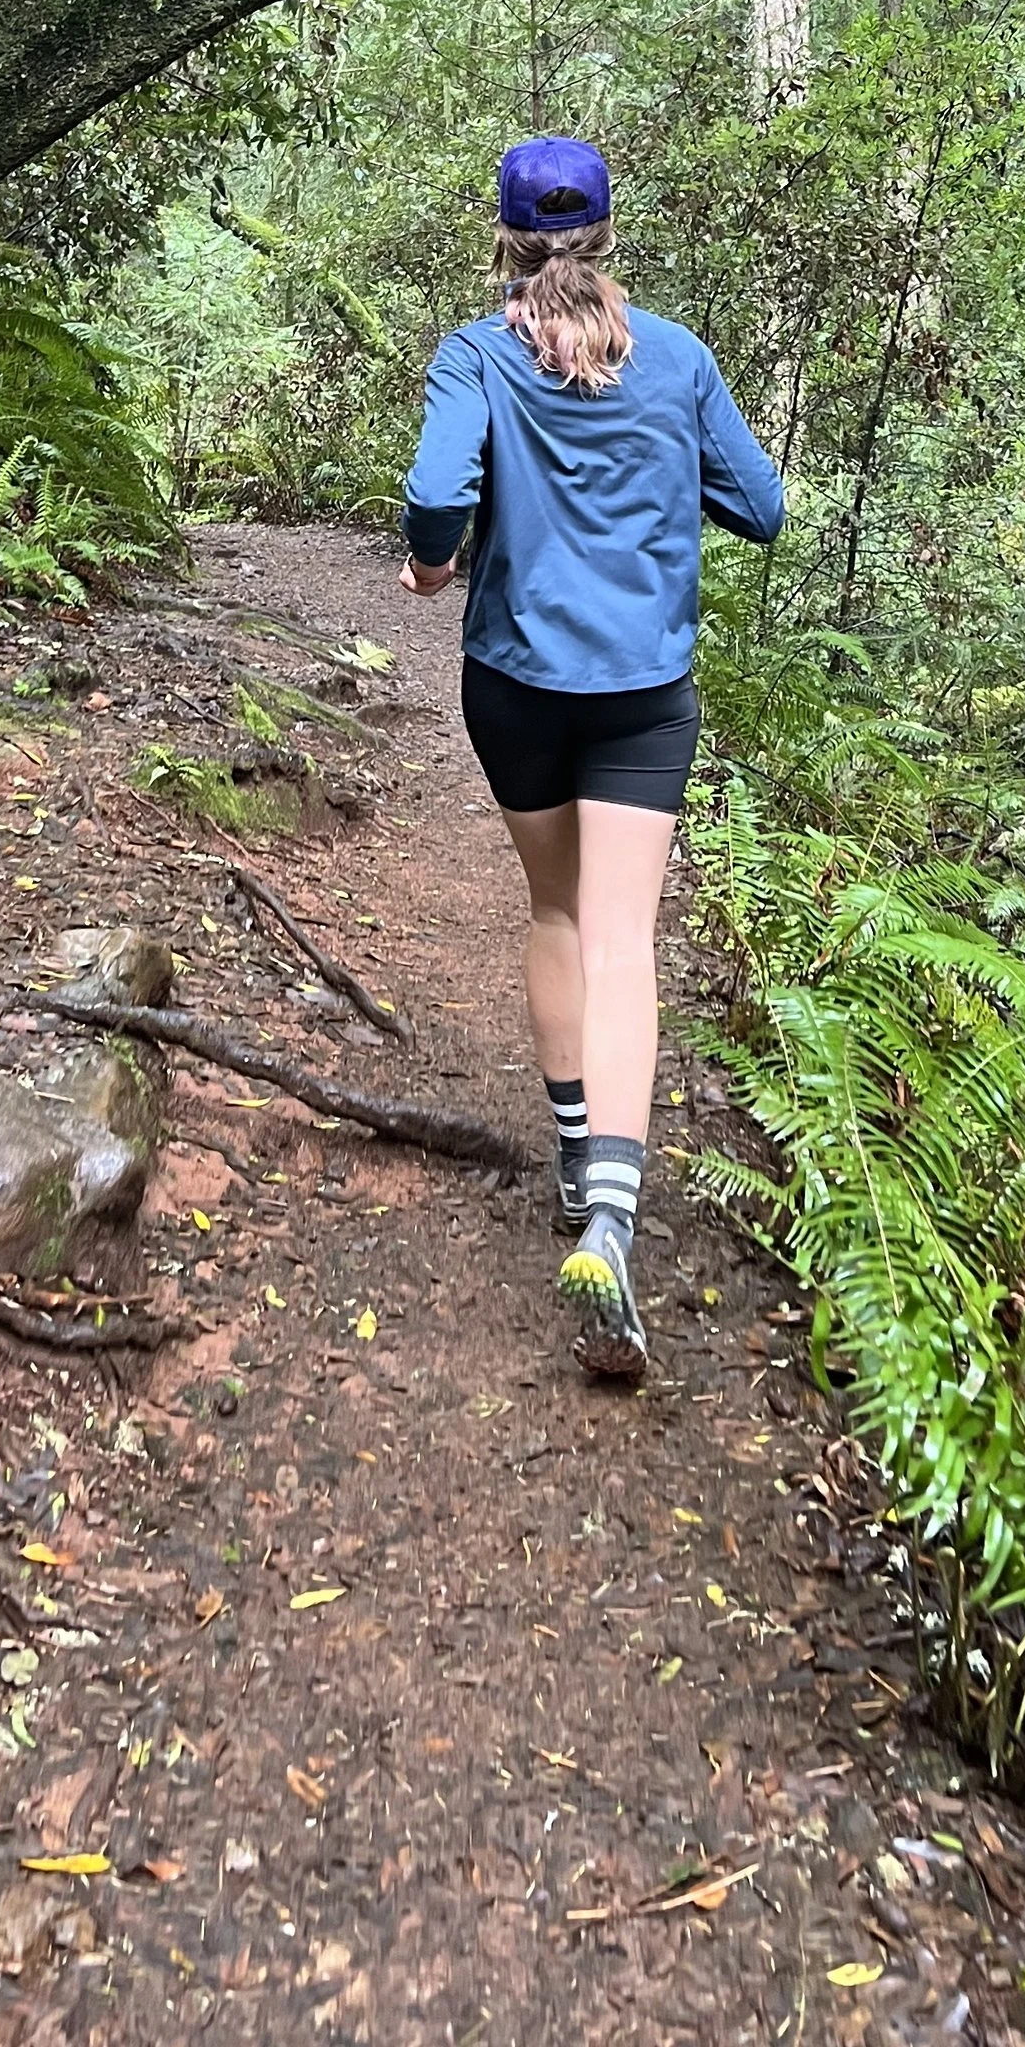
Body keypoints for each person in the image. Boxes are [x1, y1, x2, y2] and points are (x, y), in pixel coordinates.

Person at [396, 137, 785, 1383]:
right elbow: (761, 505)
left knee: (555, 908)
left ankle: (574, 1160)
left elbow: (433, 491)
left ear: (501, 239)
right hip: (643, 698)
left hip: (514, 689)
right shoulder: (673, 357)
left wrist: (429, 564)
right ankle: (612, 1220)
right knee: (626, 937)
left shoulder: (477, 354)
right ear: (607, 234)